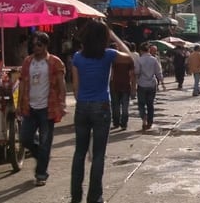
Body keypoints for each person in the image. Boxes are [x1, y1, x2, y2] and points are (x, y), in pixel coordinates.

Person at [70, 20, 133, 203]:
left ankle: (75, 197)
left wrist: (82, 101)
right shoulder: (109, 55)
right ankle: (94, 196)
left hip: (82, 106)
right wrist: (114, 35)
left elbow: (75, 86)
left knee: (79, 153)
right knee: (98, 154)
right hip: (102, 106)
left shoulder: (77, 57)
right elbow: (130, 57)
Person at [17, 31, 67, 187]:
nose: (36, 47)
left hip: (48, 107)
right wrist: (19, 104)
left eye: (39, 44)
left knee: (46, 141)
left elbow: (61, 84)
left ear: (45, 45)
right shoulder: (27, 62)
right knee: (25, 138)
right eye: (34, 44)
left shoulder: (54, 62)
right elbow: (23, 83)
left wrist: (62, 102)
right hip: (30, 106)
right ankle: (41, 155)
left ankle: (41, 174)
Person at [135, 42, 166, 130]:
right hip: (152, 84)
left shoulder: (139, 60)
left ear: (140, 51)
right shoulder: (154, 59)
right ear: (148, 50)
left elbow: (136, 72)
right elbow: (158, 72)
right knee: (150, 104)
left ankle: (144, 119)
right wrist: (162, 83)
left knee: (141, 104)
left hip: (142, 84)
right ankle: (150, 121)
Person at [110, 43, 136, 130]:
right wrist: (133, 87)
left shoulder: (114, 59)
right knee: (125, 106)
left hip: (115, 85)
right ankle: (124, 124)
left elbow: (111, 73)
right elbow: (132, 75)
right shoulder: (129, 59)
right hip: (125, 85)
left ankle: (116, 123)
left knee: (115, 105)